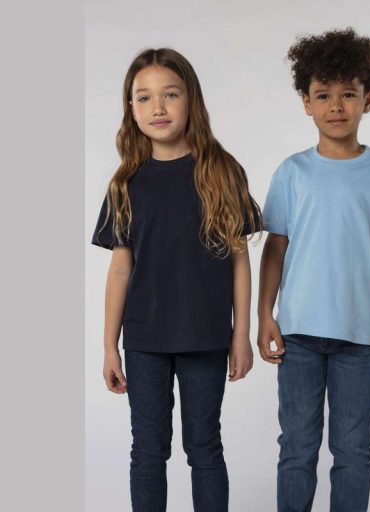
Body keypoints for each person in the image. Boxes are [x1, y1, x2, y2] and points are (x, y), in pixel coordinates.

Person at [90, 47, 262, 512]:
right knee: (148, 450)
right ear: (131, 108)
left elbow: (240, 260)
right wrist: (109, 346)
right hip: (144, 340)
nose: (158, 107)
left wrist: (240, 334)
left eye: (170, 94)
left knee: (204, 447)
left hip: (205, 335)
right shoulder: (125, 184)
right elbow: (120, 269)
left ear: (191, 100)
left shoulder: (222, 172)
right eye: (144, 97)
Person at [257, 28, 370, 512]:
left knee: (353, 452)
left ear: (367, 100)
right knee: (297, 448)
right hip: (298, 336)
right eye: (323, 94)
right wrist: (265, 315)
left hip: (359, 340)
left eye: (348, 94)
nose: (336, 106)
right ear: (306, 103)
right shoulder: (292, 172)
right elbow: (275, 248)